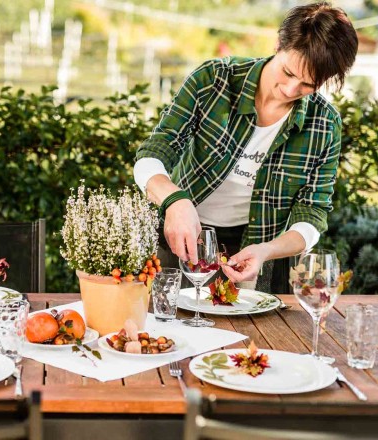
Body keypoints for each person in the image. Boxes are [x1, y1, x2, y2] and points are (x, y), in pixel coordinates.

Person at [134, 2, 358, 292]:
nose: (291, 91)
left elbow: (312, 215)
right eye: (288, 73)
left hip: (258, 252)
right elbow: (152, 154)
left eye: (308, 84)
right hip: (183, 238)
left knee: (257, 336)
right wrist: (174, 200)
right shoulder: (214, 81)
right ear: (278, 45)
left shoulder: (325, 125)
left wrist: (267, 251)